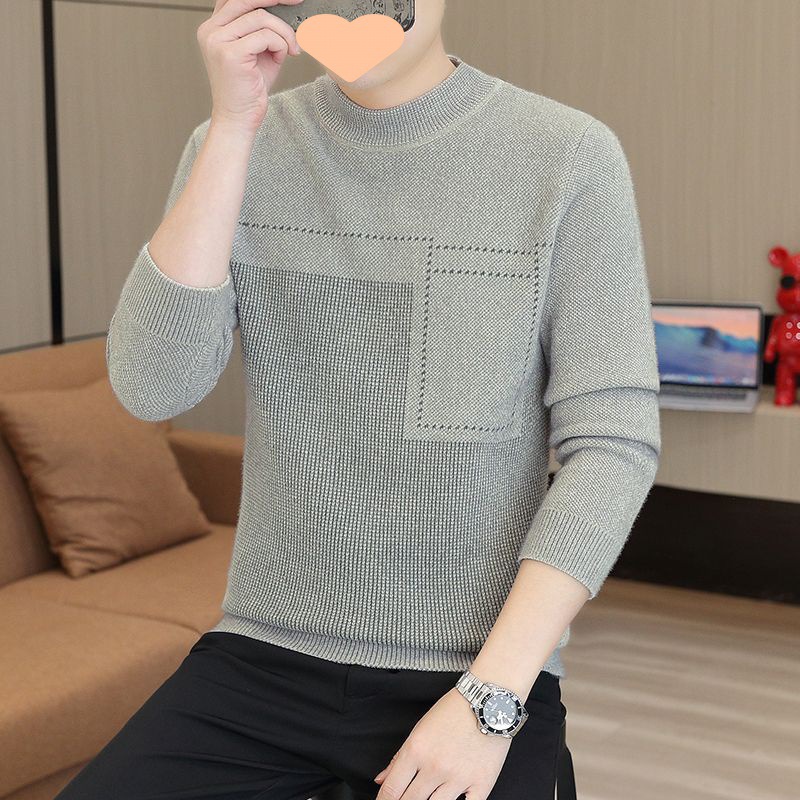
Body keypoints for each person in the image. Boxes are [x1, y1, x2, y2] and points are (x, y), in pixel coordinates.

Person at [56, 0, 661, 798]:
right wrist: (232, 128)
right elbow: (151, 386)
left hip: (474, 668)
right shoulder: (231, 146)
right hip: (262, 657)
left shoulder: (567, 156)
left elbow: (612, 448)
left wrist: (488, 701)